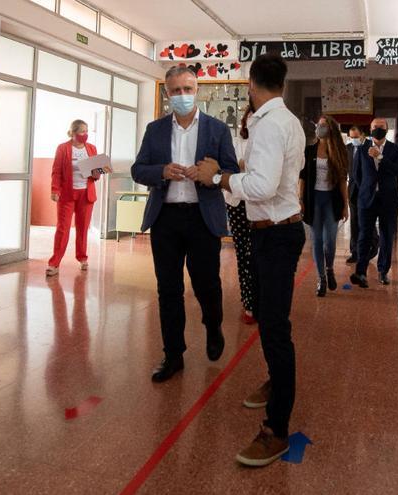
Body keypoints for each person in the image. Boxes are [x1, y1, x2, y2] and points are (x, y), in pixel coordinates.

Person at [196, 53, 305, 467]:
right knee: (263, 313)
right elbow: (265, 176)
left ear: (251, 85)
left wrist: (219, 177)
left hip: (277, 234)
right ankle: (277, 381)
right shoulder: (282, 120)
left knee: (276, 328)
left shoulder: (272, 124)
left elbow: (261, 185)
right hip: (271, 231)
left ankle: (276, 429)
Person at [131, 66, 239, 383]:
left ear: (198, 90)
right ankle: (173, 354)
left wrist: (211, 173)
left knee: (207, 283)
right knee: (168, 290)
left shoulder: (217, 130)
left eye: (187, 89)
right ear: (167, 94)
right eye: (176, 90)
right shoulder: (155, 130)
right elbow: (139, 169)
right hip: (165, 217)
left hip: (202, 217)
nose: (182, 95)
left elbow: (230, 171)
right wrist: (161, 171)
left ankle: (213, 324)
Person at [350, 118, 398, 288]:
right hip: (367, 200)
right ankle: (361, 272)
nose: (377, 130)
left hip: (389, 200)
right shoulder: (362, 148)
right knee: (364, 235)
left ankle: (383, 271)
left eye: (381, 127)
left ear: (387, 129)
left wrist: (380, 157)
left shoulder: (396, 150)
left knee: (387, 236)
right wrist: (366, 190)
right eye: (374, 127)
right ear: (370, 129)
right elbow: (357, 175)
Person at [300, 115, 350, 297]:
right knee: (317, 241)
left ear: (331, 129)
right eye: (318, 125)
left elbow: (343, 180)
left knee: (330, 240)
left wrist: (346, 205)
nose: (319, 128)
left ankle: (329, 268)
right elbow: (302, 178)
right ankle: (321, 278)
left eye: (323, 125)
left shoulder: (339, 151)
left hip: (332, 200)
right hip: (313, 200)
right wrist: (300, 200)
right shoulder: (309, 150)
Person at [47, 119, 101, 277]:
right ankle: (54, 263)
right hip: (67, 195)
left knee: (83, 228)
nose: (85, 134)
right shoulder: (63, 148)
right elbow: (56, 171)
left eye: (87, 131)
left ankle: (82, 258)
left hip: (86, 193)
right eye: (82, 131)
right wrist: (55, 190)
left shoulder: (91, 148)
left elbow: (96, 173)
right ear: (73, 133)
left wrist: (97, 173)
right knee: (62, 229)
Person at [227, 104, 257, 325]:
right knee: (242, 253)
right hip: (237, 202)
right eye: (249, 119)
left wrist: (245, 166)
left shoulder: (266, 142)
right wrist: (243, 165)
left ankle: (260, 299)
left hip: (260, 203)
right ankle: (248, 301)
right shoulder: (236, 142)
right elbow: (228, 168)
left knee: (258, 253)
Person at [345, 126, 378, 264]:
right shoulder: (348, 149)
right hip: (353, 189)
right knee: (354, 222)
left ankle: (373, 247)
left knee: (367, 220)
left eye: (356, 137)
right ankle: (355, 252)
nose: (354, 140)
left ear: (362, 135)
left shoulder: (371, 147)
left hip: (367, 190)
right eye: (351, 137)